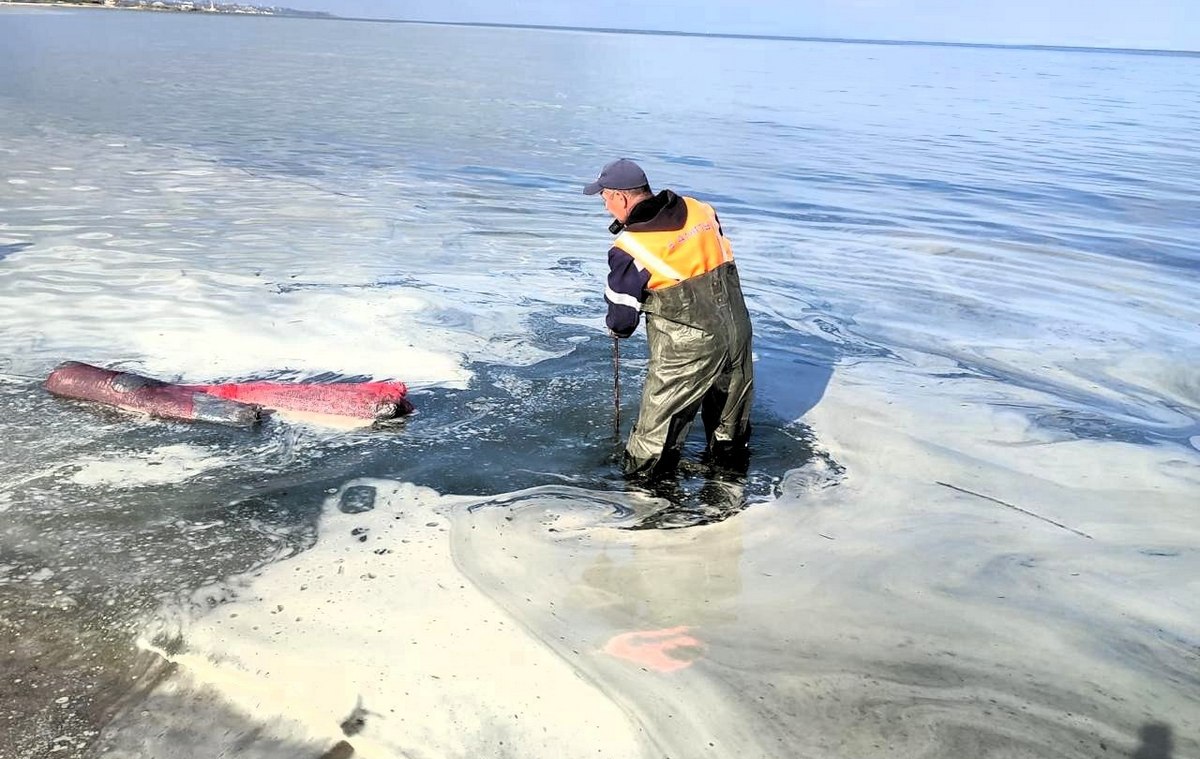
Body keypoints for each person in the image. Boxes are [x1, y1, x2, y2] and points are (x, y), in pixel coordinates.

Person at [584, 158, 753, 478]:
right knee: (730, 429)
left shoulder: (631, 247)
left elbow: (622, 319)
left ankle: (645, 494)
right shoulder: (700, 209)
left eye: (605, 198)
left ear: (620, 197)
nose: (606, 207)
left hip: (687, 348)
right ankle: (728, 487)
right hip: (737, 330)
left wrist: (615, 327)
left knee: (653, 443)